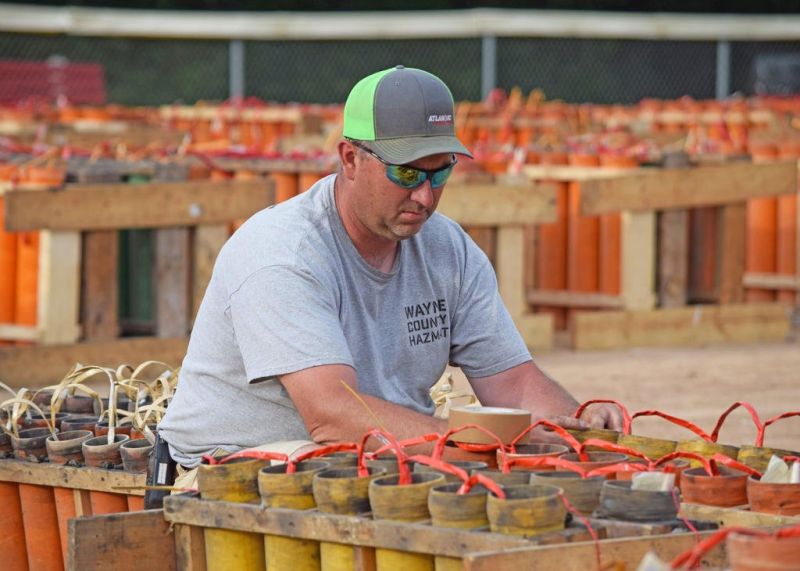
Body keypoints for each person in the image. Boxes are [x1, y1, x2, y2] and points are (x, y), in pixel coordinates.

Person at [158, 65, 623, 478]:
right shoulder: (284, 253)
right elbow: (332, 414)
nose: (425, 196)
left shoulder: (448, 248)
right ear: (350, 159)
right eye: (406, 174)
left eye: (440, 173)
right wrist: (467, 446)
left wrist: (576, 426)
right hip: (224, 469)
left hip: (366, 458)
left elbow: (514, 382)